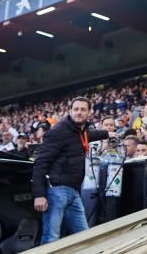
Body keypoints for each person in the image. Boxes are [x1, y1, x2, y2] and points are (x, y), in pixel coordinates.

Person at [31, 97, 113, 244]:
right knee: (51, 238)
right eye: (76, 109)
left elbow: (88, 136)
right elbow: (40, 163)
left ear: (89, 113)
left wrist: (107, 134)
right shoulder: (59, 131)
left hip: (74, 192)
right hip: (56, 191)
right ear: (70, 111)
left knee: (84, 238)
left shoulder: (80, 132)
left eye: (83, 109)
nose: (79, 113)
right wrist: (39, 194)